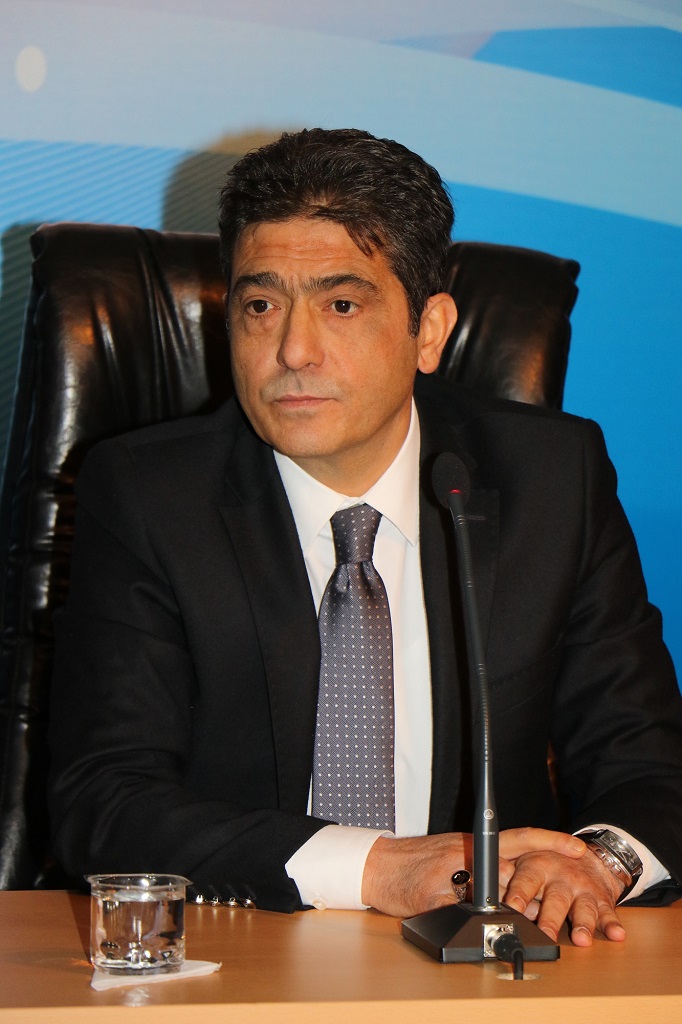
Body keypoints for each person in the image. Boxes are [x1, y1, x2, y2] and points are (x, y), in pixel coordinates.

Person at [48, 128, 682, 947]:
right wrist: (379, 868)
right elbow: (105, 801)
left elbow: (650, 767)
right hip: (238, 954)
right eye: (260, 305)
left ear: (430, 330)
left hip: (485, 967)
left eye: (341, 305)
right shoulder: (149, 497)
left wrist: (595, 864)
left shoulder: (553, 481)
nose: (293, 350)